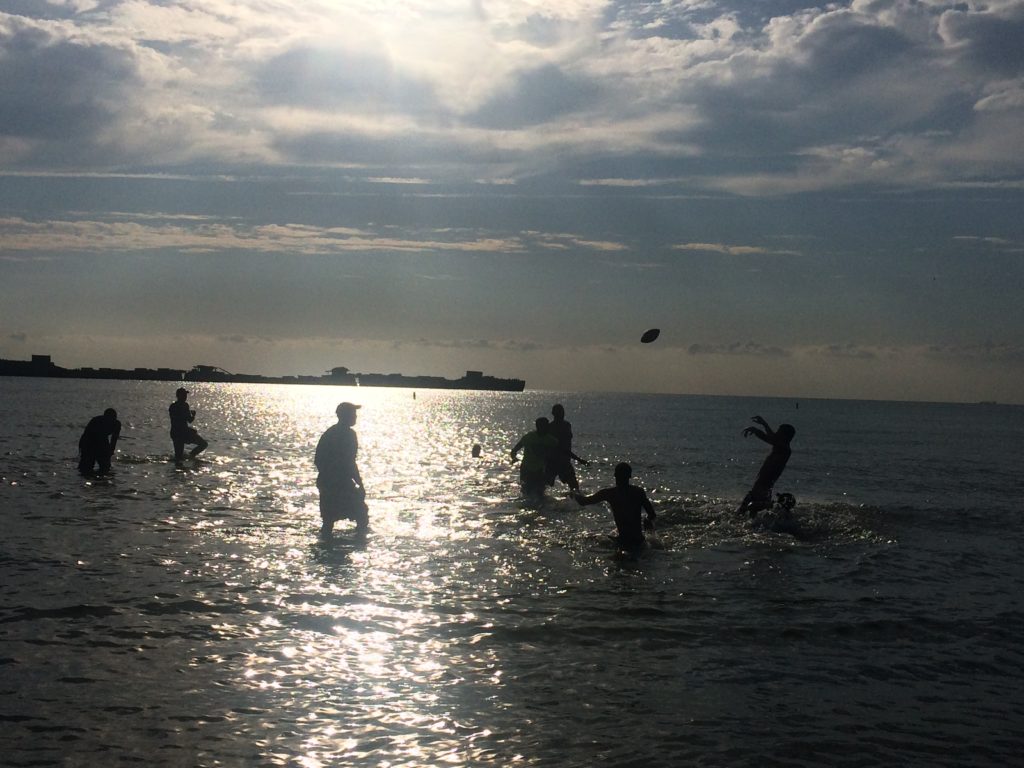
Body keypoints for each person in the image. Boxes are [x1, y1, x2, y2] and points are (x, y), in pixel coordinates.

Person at [571, 462, 656, 551]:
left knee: (592, 538)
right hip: (639, 542)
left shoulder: (610, 493)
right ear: (630, 476)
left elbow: (584, 502)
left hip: (623, 542)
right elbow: (652, 514)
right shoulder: (638, 492)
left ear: (615, 475)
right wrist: (647, 522)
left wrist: (574, 493)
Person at [315, 402, 367, 537]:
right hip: (338, 483)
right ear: (345, 416)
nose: (355, 416)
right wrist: (360, 484)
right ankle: (358, 542)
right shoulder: (349, 435)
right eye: (353, 414)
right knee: (361, 514)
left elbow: (318, 460)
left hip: (328, 482)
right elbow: (350, 463)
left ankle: (326, 544)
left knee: (328, 521)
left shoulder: (330, 433)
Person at [737, 416, 795, 517]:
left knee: (752, 507)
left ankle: (773, 506)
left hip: (764, 486)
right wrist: (764, 425)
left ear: (785, 436)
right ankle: (771, 509)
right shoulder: (780, 446)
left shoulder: (784, 449)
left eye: (779, 432)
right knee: (743, 510)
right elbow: (772, 438)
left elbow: (770, 438)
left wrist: (758, 429)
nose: (776, 433)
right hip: (762, 485)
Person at [510, 417, 559, 499]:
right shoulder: (529, 437)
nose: (548, 428)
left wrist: (552, 472)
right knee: (528, 492)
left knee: (537, 492)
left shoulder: (551, 440)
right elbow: (514, 450)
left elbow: (558, 455)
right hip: (527, 468)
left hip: (539, 469)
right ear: (539, 426)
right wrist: (514, 458)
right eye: (546, 426)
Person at [545, 404, 589, 492]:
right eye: (559, 413)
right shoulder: (551, 427)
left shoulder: (566, 425)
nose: (561, 414)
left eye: (562, 412)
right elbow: (562, 447)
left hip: (563, 460)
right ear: (553, 414)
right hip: (554, 461)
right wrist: (579, 459)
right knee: (543, 485)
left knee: (574, 487)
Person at [168, 387, 208, 462]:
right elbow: (189, 420)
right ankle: (191, 456)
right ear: (179, 396)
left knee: (178, 457)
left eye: (185, 395)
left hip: (174, 432)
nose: (186, 397)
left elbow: (178, 419)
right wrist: (193, 415)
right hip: (183, 432)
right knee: (203, 444)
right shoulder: (184, 405)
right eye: (184, 395)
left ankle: (185, 459)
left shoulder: (172, 406)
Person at [78, 408, 121, 475]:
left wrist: (111, 451)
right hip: (90, 441)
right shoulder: (96, 420)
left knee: (105, 467)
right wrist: (81, 446)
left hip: (102, 441)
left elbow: (114, 439)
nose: (109, 421)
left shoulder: (117, 424)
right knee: (86, 467)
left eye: (112, 419)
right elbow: (86, 434)